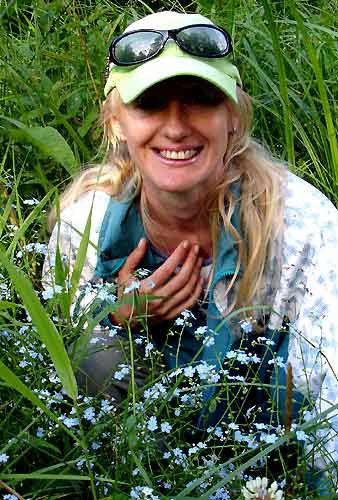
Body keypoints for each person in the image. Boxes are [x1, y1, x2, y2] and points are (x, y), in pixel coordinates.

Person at [43, 10, 338, 474]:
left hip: (269, 446)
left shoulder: (302, 225)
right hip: (147, 445)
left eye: (200, 100)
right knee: (91, 354)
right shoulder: (84, 227)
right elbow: (58, 345)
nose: (176, 127)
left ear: (233, 118)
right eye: (151, 105)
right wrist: (118, 315)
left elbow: (332, 387)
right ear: (118, 122)